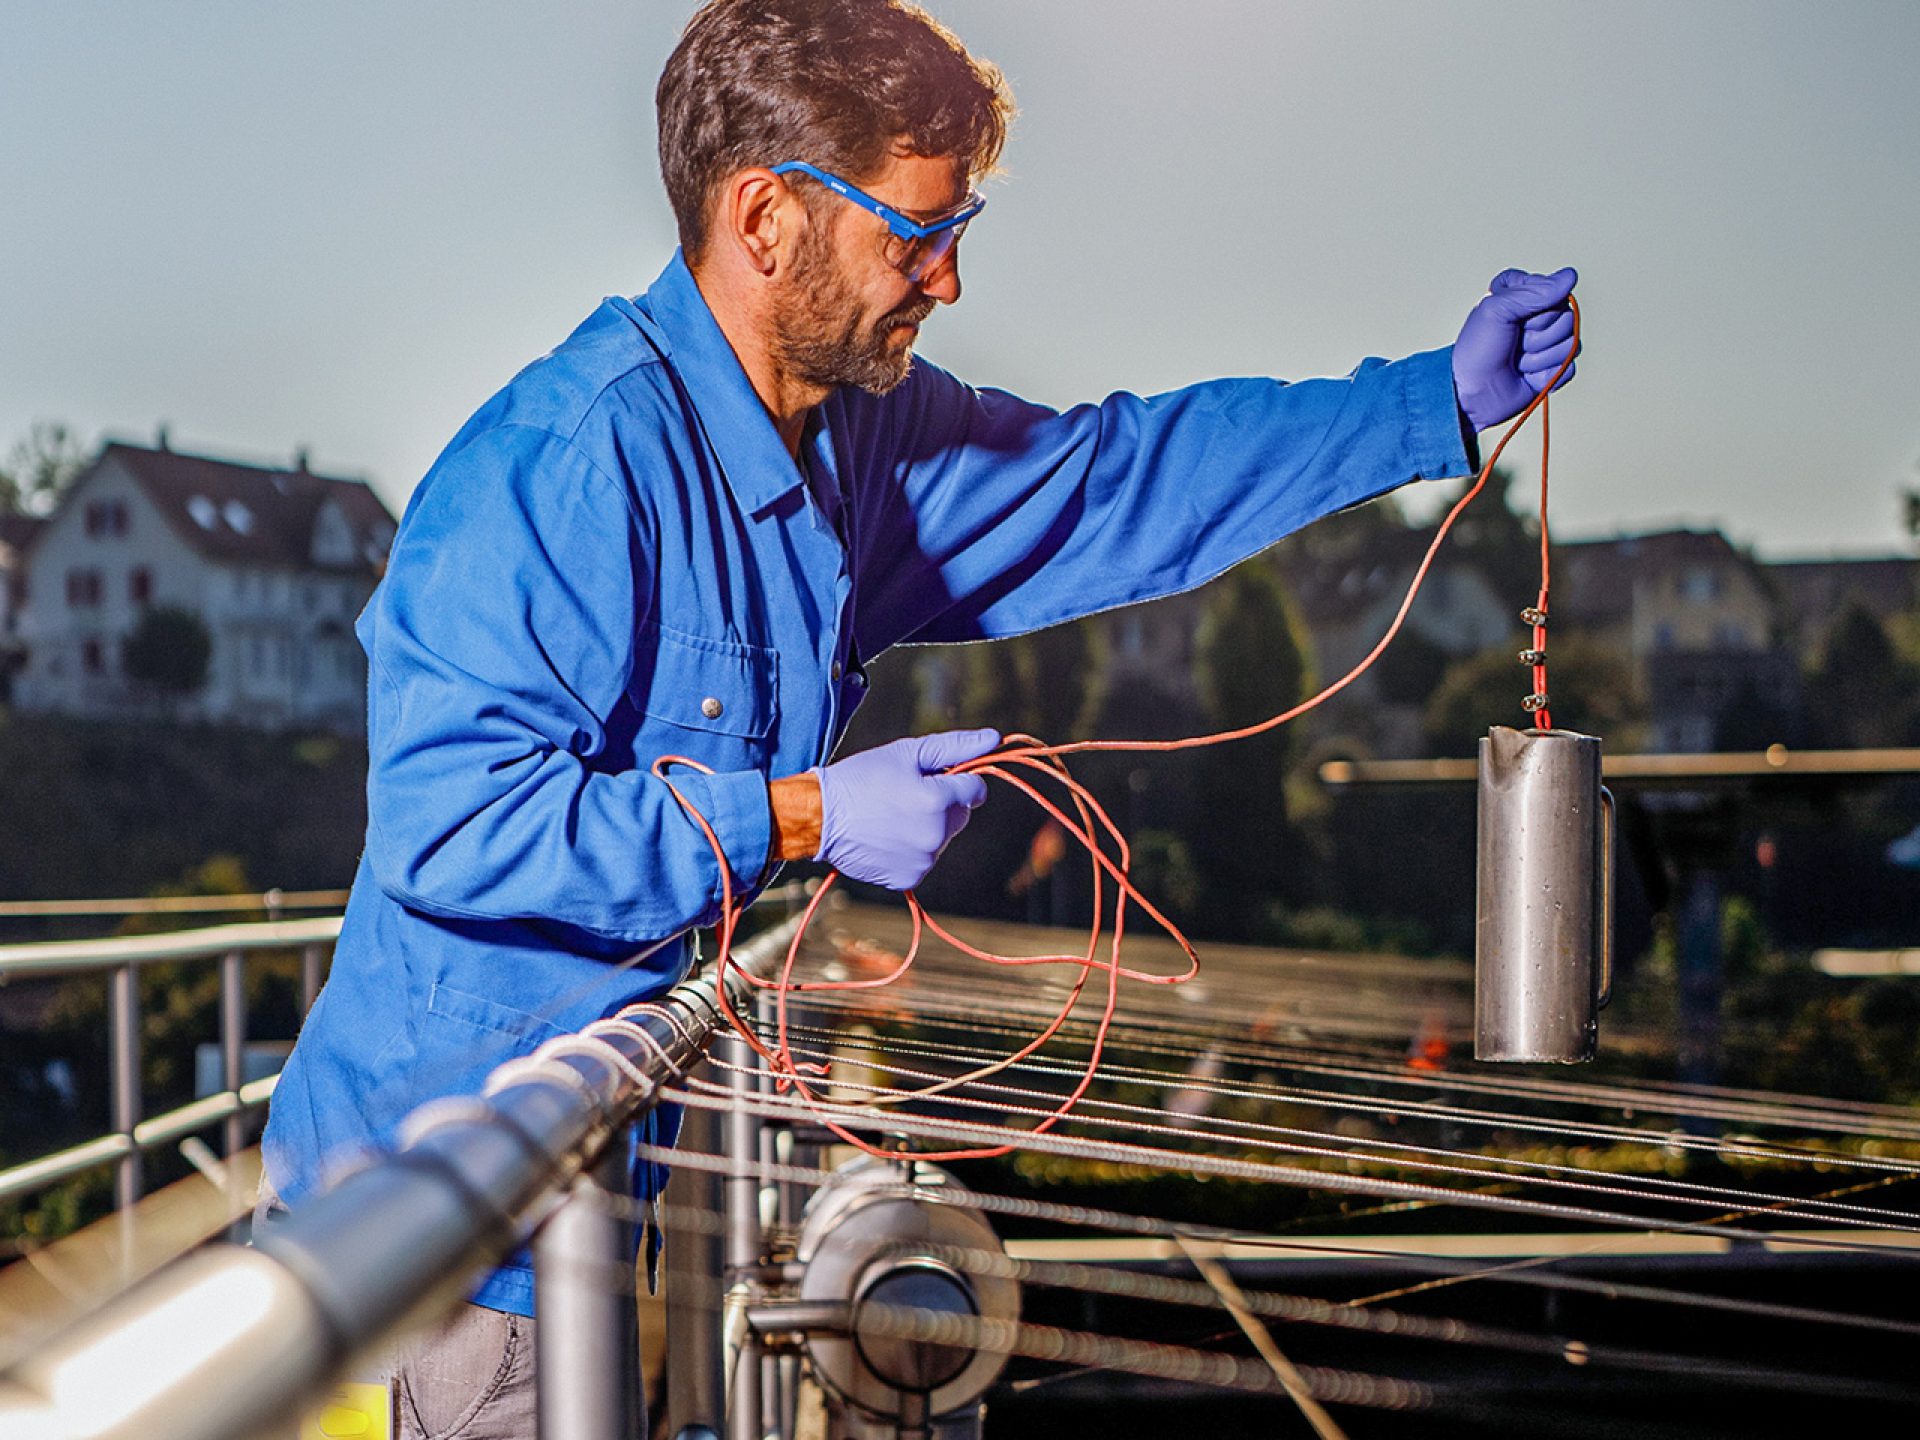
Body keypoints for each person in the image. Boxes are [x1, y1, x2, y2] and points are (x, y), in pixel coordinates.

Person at [260, 0, 1580, 1431]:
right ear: (764, 217)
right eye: (913, 235)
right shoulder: (562, 466)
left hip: (608, 1178)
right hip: (441, 1234)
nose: (946, 281)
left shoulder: (855, 434)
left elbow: (1111, 479)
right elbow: (456, 832)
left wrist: (1424, 403)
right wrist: (808, 815)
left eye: (963, 230)